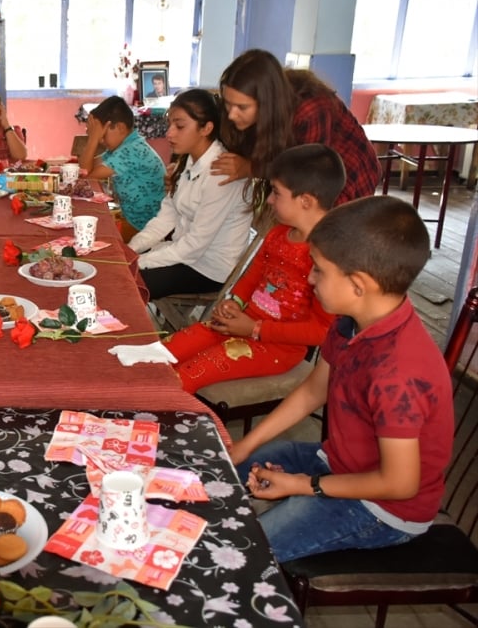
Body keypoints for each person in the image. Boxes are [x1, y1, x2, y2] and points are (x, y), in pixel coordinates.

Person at [230, 195, 453, 563]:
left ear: (358, 284)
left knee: (244, 553)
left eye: (318, 269)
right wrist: (245, 444)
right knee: (226, 464)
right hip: (339, 464)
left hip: (383, 509)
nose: (310, 277)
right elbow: (314, 391)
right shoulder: (352, 321)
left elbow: (399, 483)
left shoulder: (397, 372)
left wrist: (304, 485)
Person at [163, 144, 342, 393]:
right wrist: (234, 302)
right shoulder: (278, 234)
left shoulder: (328, 257)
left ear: (306, 201)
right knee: (161, 355)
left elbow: (322, 331)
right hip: (241, 325)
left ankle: (153, 423)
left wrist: (255, 328)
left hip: (278, 347)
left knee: (184, 376)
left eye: (276, 193)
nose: (269, 199)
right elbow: (252, 277)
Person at [214, 49, 380, 208]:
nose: (231, 115)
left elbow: (307, 173)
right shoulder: (264, 106)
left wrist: (250, 167)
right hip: (307, 170)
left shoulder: (310, 110)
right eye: (228, 104)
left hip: (346, 170)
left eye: (242, 108)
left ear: (267, 103)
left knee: (327, 228)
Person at [128, 89, 252, 300]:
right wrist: (131, 249)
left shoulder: (221, 172)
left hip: (209, 269)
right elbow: (166, 218)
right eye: (170, 125)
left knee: (128, 286)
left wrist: (138, 261)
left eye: (180, 126)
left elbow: (195, 246)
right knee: (122, 273)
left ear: (206, 128)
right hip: (185, 256)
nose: (169, 133)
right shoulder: (188, 161)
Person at [79, 96, 166, 240]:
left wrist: (93, 139)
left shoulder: (131, 150)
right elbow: (85, 169)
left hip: (144, 227)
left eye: (102, 135)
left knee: (94, 236)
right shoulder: (123, 147)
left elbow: (86, 175)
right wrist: (94, 138)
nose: (101, 140)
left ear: (120, 127)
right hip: (134, 219)